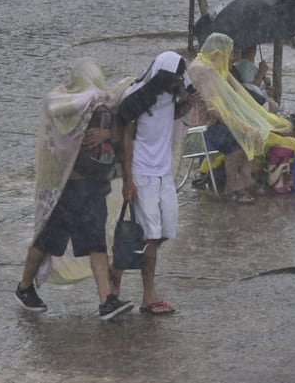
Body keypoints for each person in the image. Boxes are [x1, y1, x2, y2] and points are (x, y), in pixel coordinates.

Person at [14, 58, 135, 321]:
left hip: (92, 188)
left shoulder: (97, 106)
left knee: (96, 243)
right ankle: (24, 287)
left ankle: (107, 301)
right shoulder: (64, 107)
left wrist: (107, 135)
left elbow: (116, 99)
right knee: (46, 241)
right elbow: (59, 142)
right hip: (65, 191)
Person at [116, 51, 196, 315]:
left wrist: (188, 101)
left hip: (164, 174)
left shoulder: (169, 96)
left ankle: (118, 272)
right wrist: (128, 181)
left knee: (163, 233)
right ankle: (147, 295)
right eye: (173, 75)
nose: (176, 80)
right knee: (150, 234)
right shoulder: (136, 96)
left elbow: (171, 117)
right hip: (142, 174)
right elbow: (127, 138)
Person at [187, 33, 294, 202]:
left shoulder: (213, 67)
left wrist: (259, 115)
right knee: (237, 136)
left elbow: (237, 94)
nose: (233, 59)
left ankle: (246, 178)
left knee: (254, 129)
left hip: (212, 126)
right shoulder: (203, 70)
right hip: (199, 132)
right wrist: (241, 126)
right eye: (230, 54)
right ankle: (232, 186)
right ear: (217, 53)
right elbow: (215, 110)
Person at [232, 45, 295, 139]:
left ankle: (285, 140)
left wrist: (266, 87)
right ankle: (284, 140)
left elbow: (254, 89)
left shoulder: (246, 66)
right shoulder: (244, 66)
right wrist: (261, 73)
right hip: (263, 109)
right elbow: (250, 91)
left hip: (268, 105)